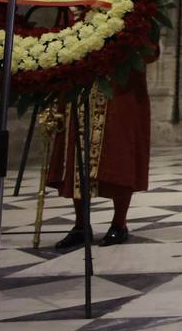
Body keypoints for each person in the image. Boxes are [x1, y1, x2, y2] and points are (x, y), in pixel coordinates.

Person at [46, 62, 152, 249]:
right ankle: (81, 226)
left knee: (118, 155)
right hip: (81, 84)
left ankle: (119, 224)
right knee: (77, 156)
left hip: (119, 89)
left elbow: (150, 52)